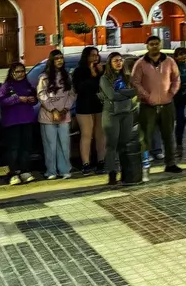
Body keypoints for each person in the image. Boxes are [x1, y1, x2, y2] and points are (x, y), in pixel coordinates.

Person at [132, 36, 182, 176]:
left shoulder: (169, 61)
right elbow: (135, 82)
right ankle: (145, 165)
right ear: (147, 46)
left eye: (156, 44)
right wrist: (146, 96)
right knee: (145, 137)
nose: (154, 46)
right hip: (148, 106)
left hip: (167, 105)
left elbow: (176, 79)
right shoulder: (140, 63)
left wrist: (171, 93)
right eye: (151, 44)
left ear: (160, 45)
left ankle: (170, 163)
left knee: (168, 135)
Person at [100, 52, 137, 186]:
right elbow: (111, 96)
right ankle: (111, 174)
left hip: (127, 113)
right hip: (111, 115)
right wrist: (126, 94)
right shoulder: (104, 79)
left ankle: (126, 174)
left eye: (121, 60)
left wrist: (121, 93)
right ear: (110, 63)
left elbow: (135, 91)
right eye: (115, 60)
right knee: (112, 145)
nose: (119, 63)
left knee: (124, 144)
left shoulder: (127, 77)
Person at [37, 50, 75, 180]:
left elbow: (72, 94)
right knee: (50, 145)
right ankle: (51, 171)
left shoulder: (67, 76)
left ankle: (65, 169)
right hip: (48, 116)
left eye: (61, 58)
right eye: (57, 58)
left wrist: (64, 109)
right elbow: (41, 95)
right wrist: (53, 110)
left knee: (64, 144)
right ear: (52, 60)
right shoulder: (44, 77)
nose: (59, 60)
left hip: (64, 115)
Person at [0, 63, 38, 185]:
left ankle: (25, 171)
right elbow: (1, 101)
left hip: (27, 119)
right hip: (12, 121)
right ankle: (14, 172)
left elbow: (34, 98)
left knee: (26, 147)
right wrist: (18, 99)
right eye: (18, 72)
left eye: (22, 71)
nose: (20, 74)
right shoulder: (6, 86)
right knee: (13, 148)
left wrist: (32, 100)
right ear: (12, 73)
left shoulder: (27, 85)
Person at [71, 47, 105, 175]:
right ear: (86, 56)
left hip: (98, 105)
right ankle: (86, 163)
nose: (95, 58)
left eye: (97, 55)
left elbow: (103, 86)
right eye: (92, 55)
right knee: (86, 134)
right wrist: (93, 75)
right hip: (84, 105)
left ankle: (101, 161)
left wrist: (99, 74)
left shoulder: (101, 70)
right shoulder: (79, 71)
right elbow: (80, 88)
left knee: (100, 134)